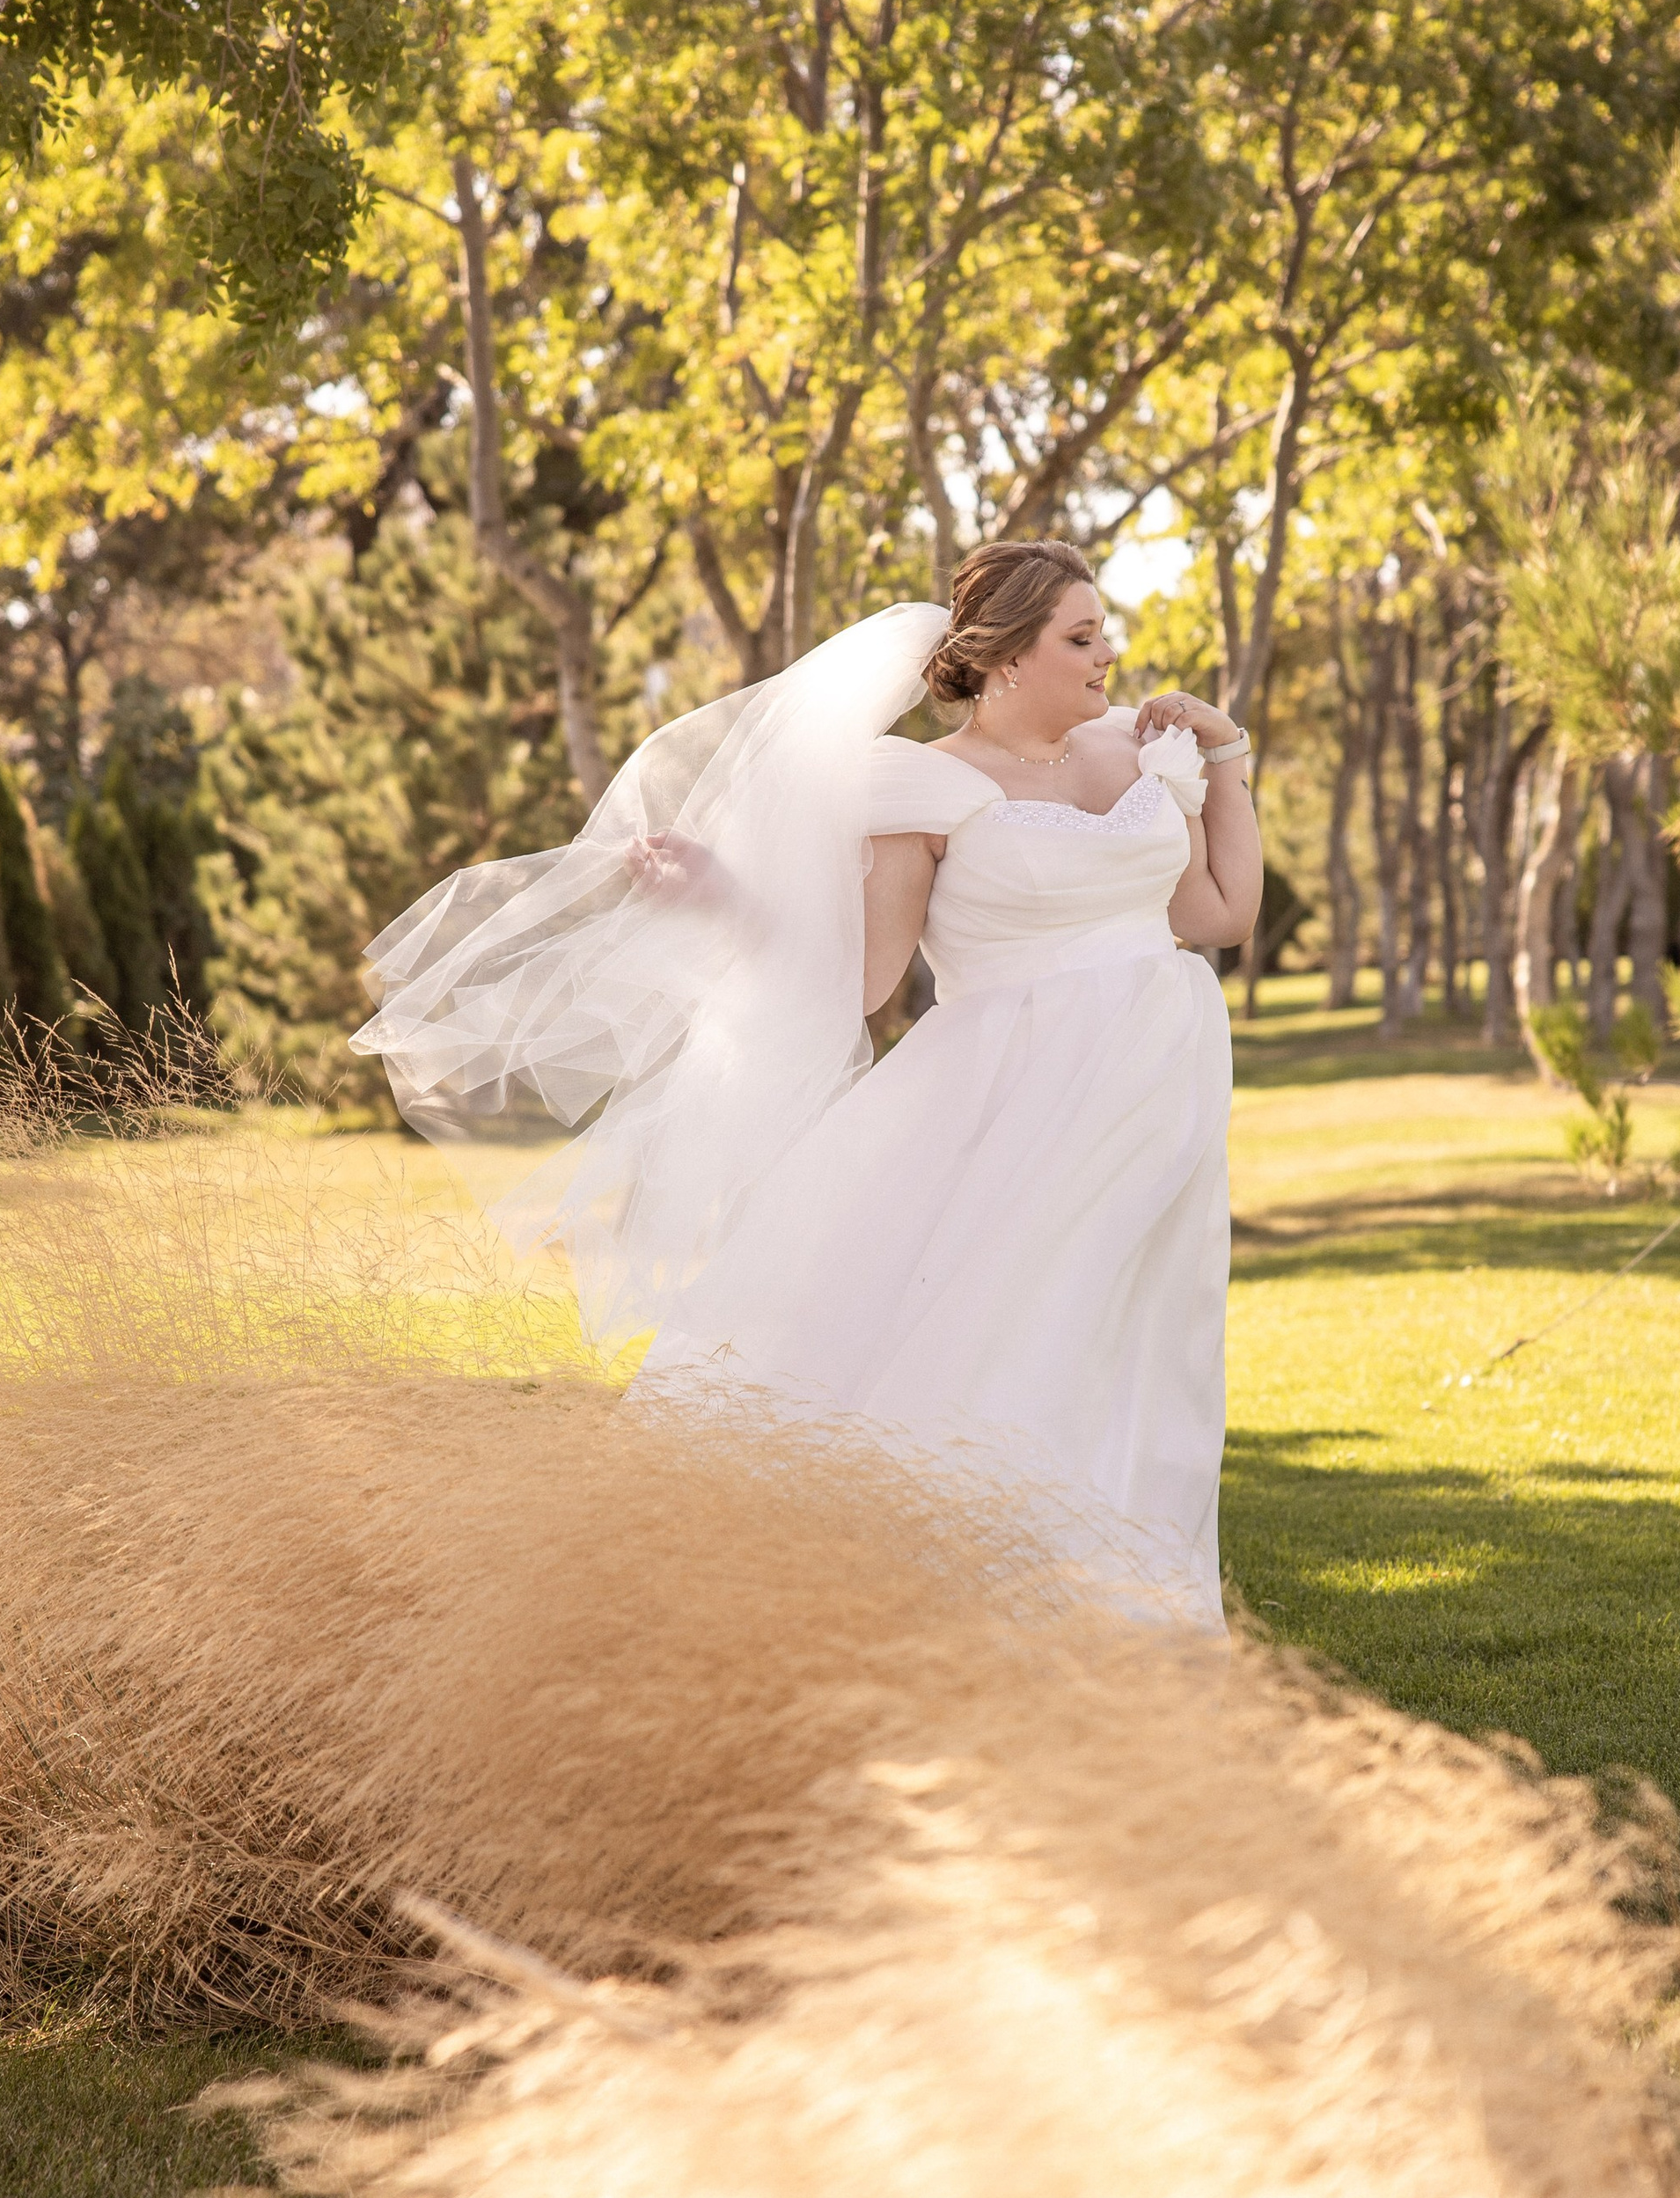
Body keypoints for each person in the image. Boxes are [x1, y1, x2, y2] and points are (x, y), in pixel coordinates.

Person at [353, 538, 1260, 1615]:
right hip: (1010, 1098)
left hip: (1154, 1084)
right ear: (1010, 657)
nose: (1108, 653)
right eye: (1081, 636)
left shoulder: (1135, 751)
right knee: (1022, 1335)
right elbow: (864, 981)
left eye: (1101, 632)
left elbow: (1218, 914)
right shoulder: (920, 784)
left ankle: (1123, 1607)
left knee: (1141, 1342)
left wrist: (1225, 757)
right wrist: (723, 904)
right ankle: (958, 1605)